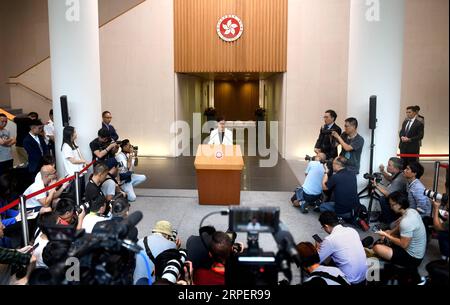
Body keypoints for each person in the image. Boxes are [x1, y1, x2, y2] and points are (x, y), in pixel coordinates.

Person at [373, 191, 427, 269]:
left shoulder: (406, 222)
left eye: (392, 205)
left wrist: (387, 235)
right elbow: (400, 227)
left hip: (413, 259)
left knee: (376, 248)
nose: (391, 207)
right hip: (413, 249)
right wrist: (390, 232)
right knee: (386, 236)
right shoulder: (412, 211)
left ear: (400, 204)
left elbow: (403, 244)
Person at [316, 212, 368, 285]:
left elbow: (316, 261)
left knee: (315, 267)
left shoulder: (330, 239)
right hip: (363, 278)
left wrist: (318, 248)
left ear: (326, 226)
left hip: (349, 281)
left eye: (323, 227)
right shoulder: (352, 230)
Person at [134, 220, 180, 285]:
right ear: (167, 235)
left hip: (136, 280)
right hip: (155, 282)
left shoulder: (140, 241)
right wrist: (176, 247)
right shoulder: (171, 245)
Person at [320, 156, 359, 221]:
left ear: (337, 165)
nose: (332, 165)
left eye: (333, 163)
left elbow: (324, 187)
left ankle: (338, 218)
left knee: (323, 206)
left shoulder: (335, 177)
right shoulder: (352, 174)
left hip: (342, 212)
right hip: (354, 211)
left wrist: (326, 172)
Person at [374, 157, 408, 224]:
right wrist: (382, 171)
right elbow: (390, 178)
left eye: (389, 165)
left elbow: (388, 194)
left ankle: (390, 222)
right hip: (401, 199)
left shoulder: (399, 179)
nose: (387, 166)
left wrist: (376, 185)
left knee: (383, 199)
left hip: (402, 202)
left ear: (396, 168)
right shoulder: (399, 173)